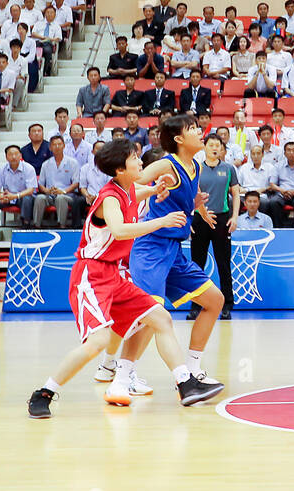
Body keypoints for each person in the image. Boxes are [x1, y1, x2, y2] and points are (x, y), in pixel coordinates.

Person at [27, 138, 224, 418]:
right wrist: (161, 221)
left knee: (161, 318)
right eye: (135, 158)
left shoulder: (129, 188)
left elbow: (142, 192)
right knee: (97, 342)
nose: (141, 162)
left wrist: (157, 188)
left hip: (116, 276)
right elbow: (119, 230)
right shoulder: (109, 197)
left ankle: (186, 383)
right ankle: (44, 392)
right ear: (120, 169)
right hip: (91, 275)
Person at [93, 113, 225, 402]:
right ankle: (121, 379)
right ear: (179, 139)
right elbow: (132, 180)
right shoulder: (167, 163)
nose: (200, 131)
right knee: (149, 316)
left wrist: (198, 207)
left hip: (174, 250)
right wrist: (152, 188)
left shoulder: (196, 166)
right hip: (151, 248)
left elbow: (189, 195)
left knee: (215, 300)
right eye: (193, 129)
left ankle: (192, 370)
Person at [191, 133, 240, 318]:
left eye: (217, 145)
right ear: (205, 147)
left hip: (221, 219)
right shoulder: (197, 169)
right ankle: (195, 306)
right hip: (200, 219)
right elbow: (190, 195)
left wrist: (234, 217)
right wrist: (189, 219)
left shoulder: (229, 169)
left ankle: (227, 305)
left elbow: (235, 194)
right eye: (210, 144)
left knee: (223, 263)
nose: (214, 148)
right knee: (197, 264)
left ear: (221, 148)